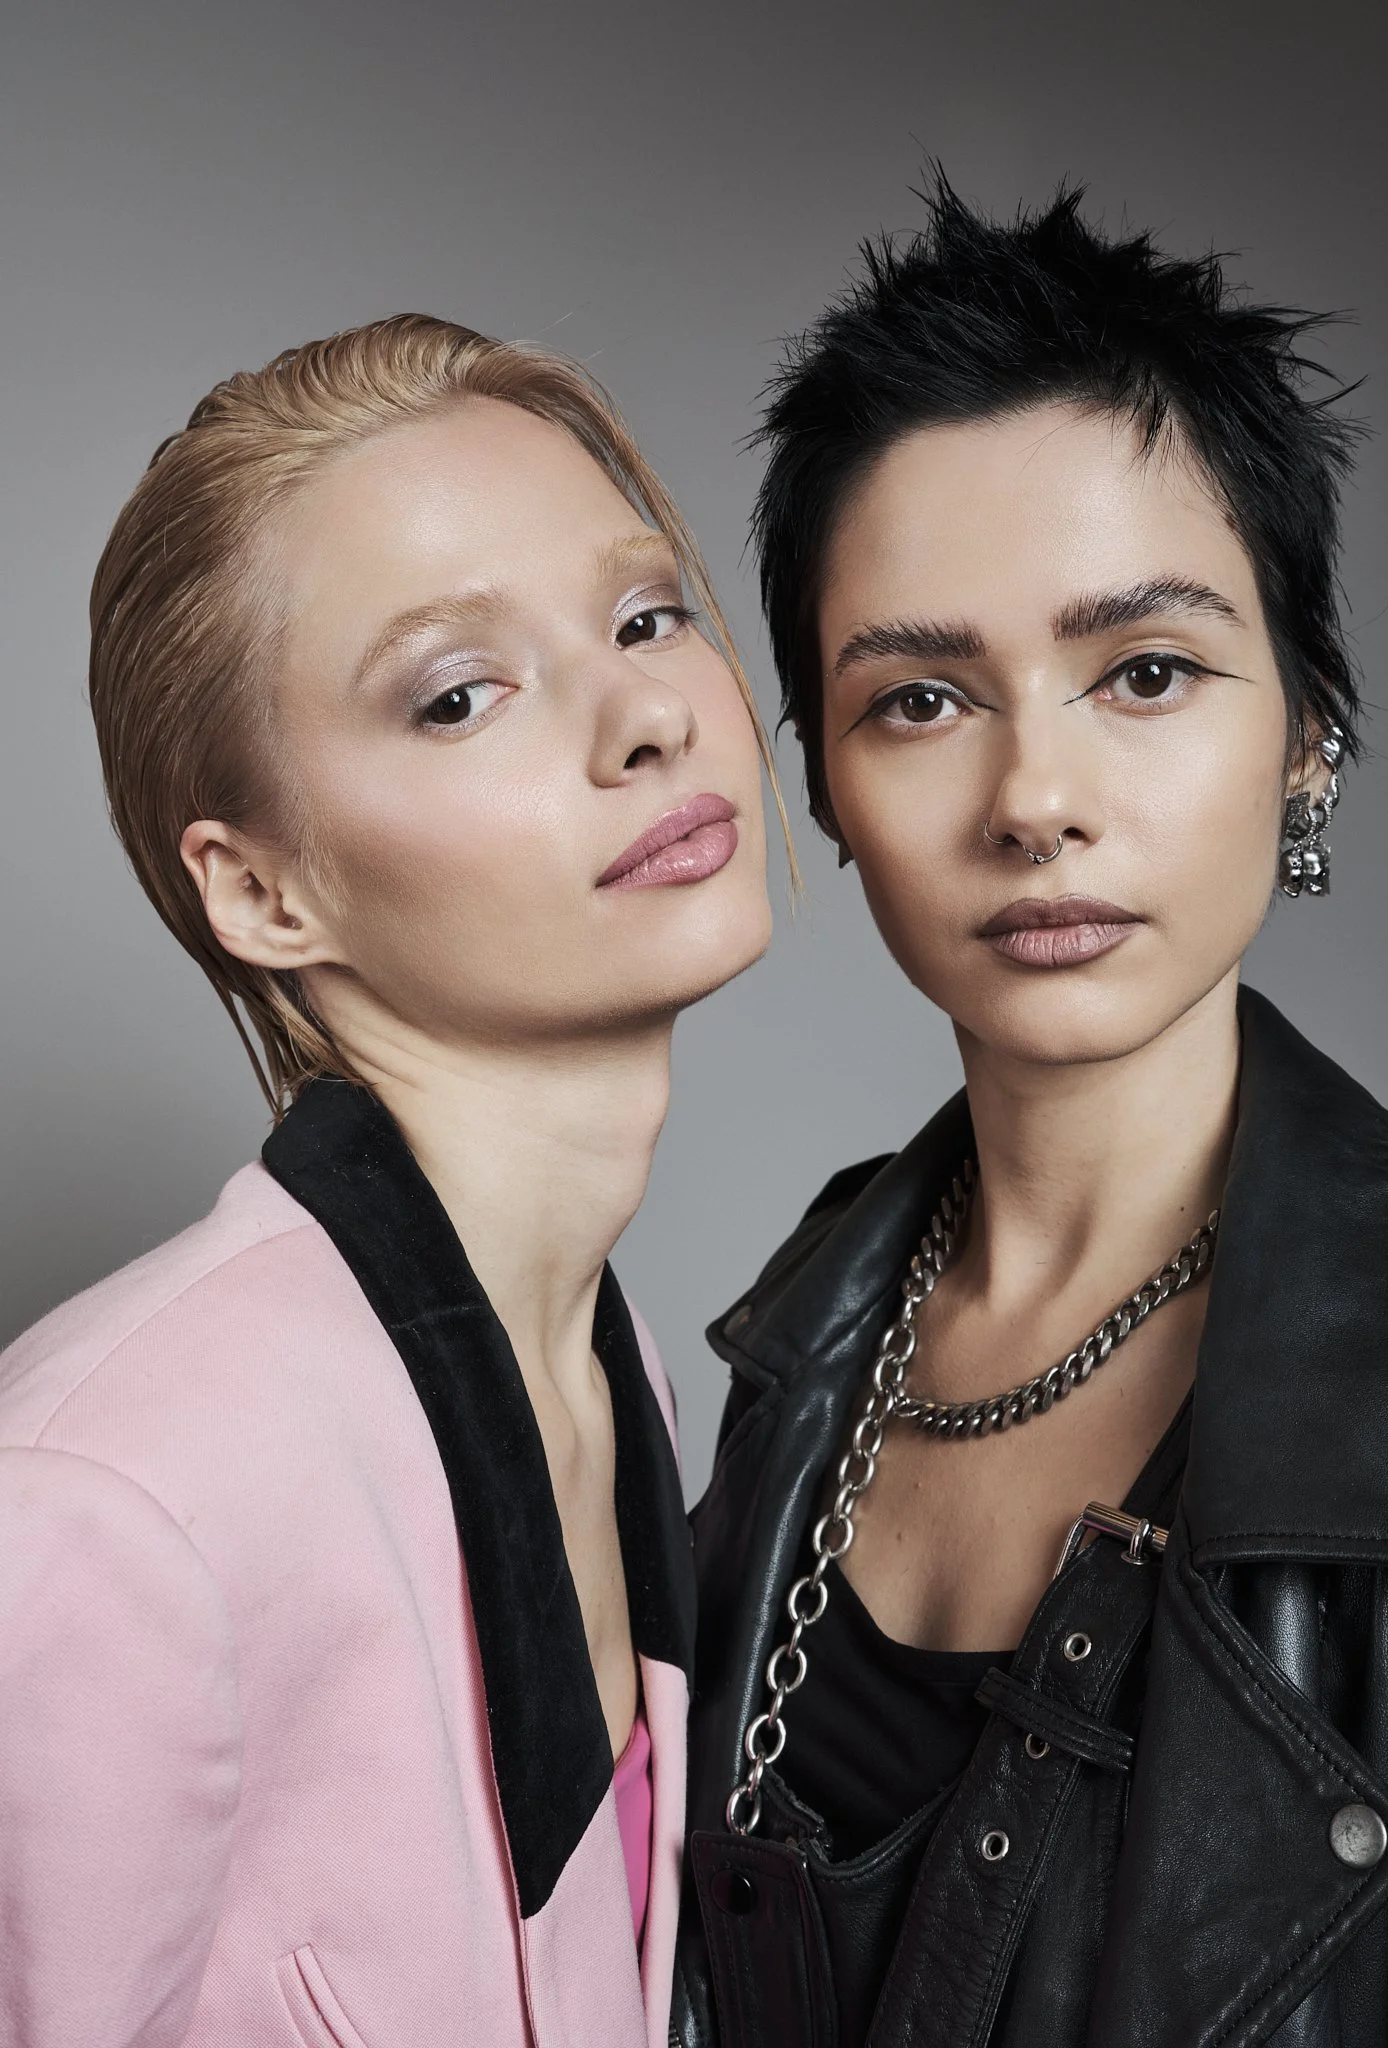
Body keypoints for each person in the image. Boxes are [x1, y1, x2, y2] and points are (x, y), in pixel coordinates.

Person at [674, 182, 1388, 2046]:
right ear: (823, 780)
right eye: (918, 699)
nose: (1034, 796)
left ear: (1308, 728)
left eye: (1145, 672)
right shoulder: (796, 1347)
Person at [0, 315, 782, 2048]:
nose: (645, 714)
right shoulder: (108, 1505)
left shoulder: (616, 1368)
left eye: (647, 614)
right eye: (458, 694)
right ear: (267, 892)